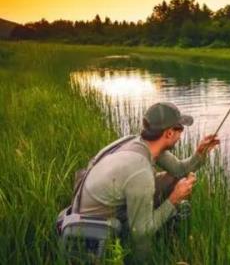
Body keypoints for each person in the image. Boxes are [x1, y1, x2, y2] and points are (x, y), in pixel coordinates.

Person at [73, 102, 219, 259]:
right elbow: (140, 232)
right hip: (96, 229)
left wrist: (200, 153)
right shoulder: (140, 170)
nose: (181, 135)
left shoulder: (141, 143)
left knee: (173, 179)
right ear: (169, 133)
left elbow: (179, 170)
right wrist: (174, 199)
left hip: (100, 206)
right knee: (144, 231)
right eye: (180, 129)